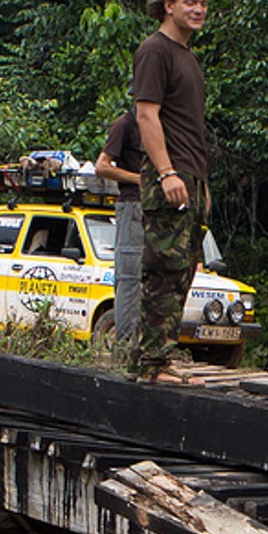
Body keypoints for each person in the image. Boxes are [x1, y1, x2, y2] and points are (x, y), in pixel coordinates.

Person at [131, 0, 221, 384]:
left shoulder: (188, 57)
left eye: (203, 3)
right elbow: (146, 116)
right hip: (169, 174)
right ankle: (152, 364)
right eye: (190, 2)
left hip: (190, 175)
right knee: (164, 270)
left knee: (184, 269)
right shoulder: (156, 50)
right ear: (168, 5)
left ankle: (158, 358)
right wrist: (167, 173)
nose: (199, 9)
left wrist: (199, 183)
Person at [93, 110, 147, 354]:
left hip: (153, 209)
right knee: (129, 279)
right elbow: (102, 166)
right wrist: (139, 179)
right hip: (132, 205)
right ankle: (125, 348)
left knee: (153, 280)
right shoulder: (125, 124)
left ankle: (146, 348)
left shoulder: (160, 125)